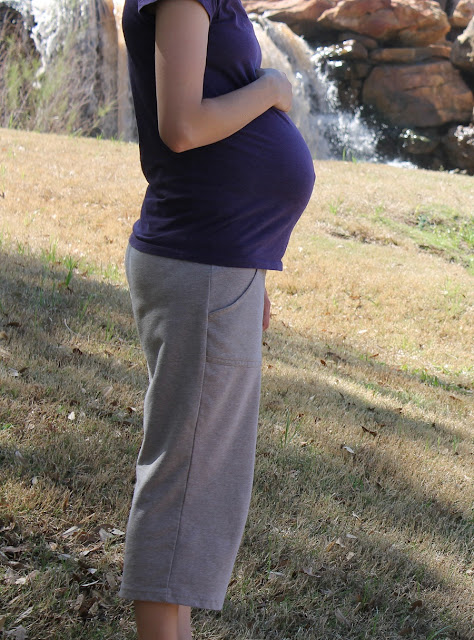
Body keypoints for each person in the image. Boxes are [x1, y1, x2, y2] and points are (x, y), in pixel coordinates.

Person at [119, 0, 316, 638]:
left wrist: (251, 262)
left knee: (196, 490)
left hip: (219, 262)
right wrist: (271, 88)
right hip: (200, 262)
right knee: (183, 490)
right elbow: (181, 126)